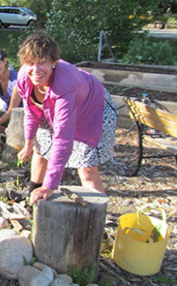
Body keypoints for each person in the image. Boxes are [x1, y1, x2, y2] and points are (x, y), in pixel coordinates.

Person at [15, 33, 117, 206]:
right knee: (41, 149)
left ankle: (99, 218)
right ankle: (33, 195)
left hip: (92, 108)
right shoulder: (25, 77)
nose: (36, 69)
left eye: (42, 62)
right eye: (30, 63)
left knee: (86, 168)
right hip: (52, 104)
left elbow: (63, 136)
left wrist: (50, 185)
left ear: (54, 62)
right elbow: (31, 112)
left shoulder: (65, 84)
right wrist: (28, 143)